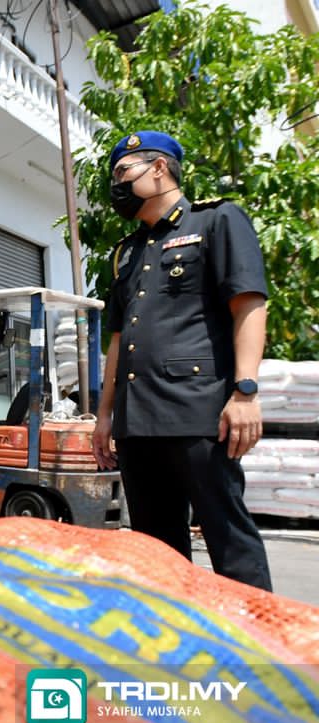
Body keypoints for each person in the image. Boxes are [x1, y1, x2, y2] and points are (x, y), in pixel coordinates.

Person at [91, 130, 271, 591]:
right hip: (136, 424)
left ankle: (262, 651)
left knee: (229, 541)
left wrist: (245, 391)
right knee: (157, 554)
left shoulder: (216, 221)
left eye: (123, 171)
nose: (117, 183)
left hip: (198, 414)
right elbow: (117, 339)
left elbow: (249, 303)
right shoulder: (125, 253)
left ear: (159, 168)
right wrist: (105, 415)